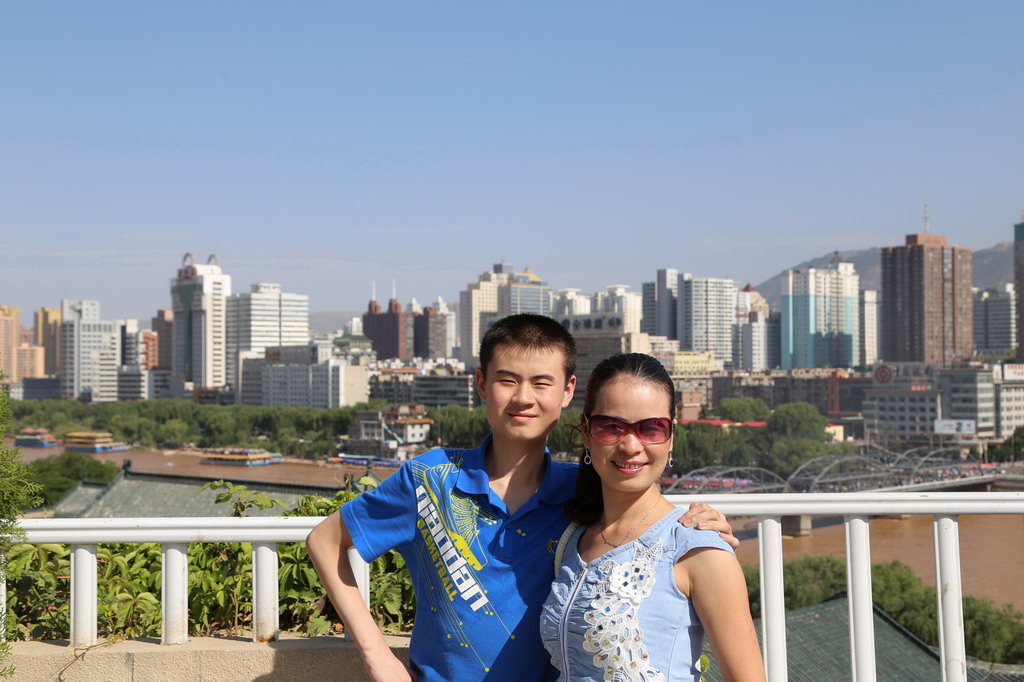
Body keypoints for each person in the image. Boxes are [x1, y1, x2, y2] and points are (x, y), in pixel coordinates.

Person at [307, 314, 736, 682]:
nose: (523, 398)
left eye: (541, 383)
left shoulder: (582, 492)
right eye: (507, 380)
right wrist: (376, 653)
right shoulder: (430, 480)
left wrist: (700, 524)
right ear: (481, 383)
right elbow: (324, 540)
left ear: (567, 391)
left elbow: (642, 516)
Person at [540, 353, 764, 681]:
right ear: (586, 433)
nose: (631, 445)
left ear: (671, 436)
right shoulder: (573, 537)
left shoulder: (699, 549)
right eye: (611, 427)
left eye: (651, 428)